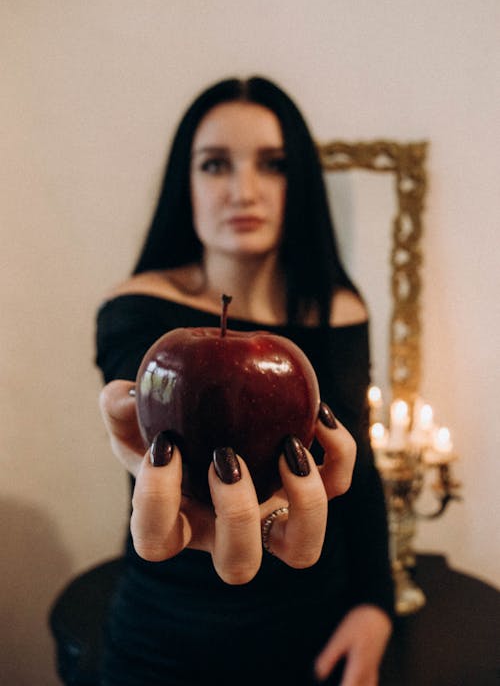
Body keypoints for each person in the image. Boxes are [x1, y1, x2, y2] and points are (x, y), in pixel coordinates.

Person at [96, 76, 394, 686]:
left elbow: (358, 473)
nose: (244, 190)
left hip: (314, 624)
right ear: (187, 183)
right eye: (214, 165)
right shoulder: (138, 310)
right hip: (169, 624)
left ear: (301, 183)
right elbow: (144, 436)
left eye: (274, 164)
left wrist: (375, 604)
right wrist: (155, 472)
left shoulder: (339, 310)